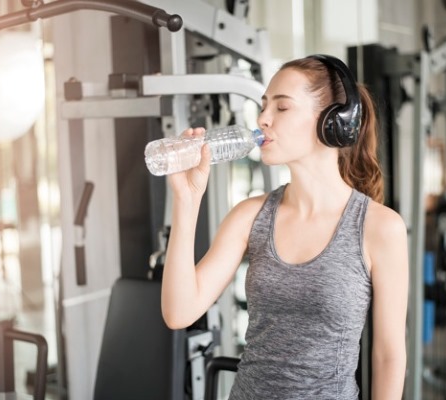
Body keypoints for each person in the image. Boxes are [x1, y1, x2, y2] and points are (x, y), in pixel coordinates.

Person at [161, 54, 408, 399]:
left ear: (332, 121)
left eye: (282, 107)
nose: (263, 119)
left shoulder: (380, 228)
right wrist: (186, 202)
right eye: (264, 106)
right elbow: (179, 312)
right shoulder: (250, 216)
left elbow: (388, 355)